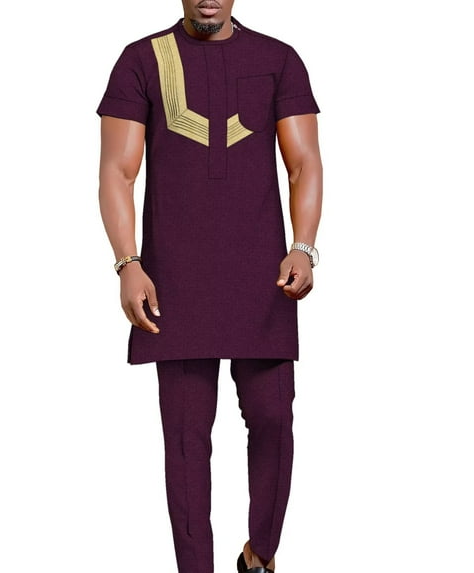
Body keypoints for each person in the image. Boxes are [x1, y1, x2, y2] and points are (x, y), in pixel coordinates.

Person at [96, 1, 323, 571]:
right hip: (174, 281)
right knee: (185, 440)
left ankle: (260, 554)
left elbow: (304, 163)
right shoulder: (142, 60)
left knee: (274, 420)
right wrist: (128, 263)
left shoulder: (279, 59)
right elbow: (118, 171)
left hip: (264, 280)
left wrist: (304, 246)